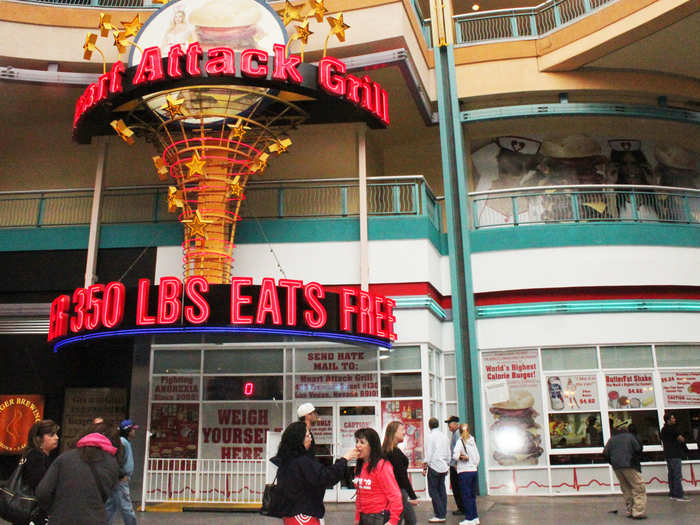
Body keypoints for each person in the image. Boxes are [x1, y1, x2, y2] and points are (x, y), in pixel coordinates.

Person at [271, 421, 357, 525]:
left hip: (291, 514)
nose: (310, 439)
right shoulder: (302, 461)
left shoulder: (287, 460)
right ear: (298, 439)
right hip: (303, 515)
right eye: (307, 436)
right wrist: (344, 459)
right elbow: (326, 477)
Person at [36, 431, 119, 525]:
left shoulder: (64, 458)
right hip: (96, 519)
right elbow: (110, 492)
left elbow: (42, 491)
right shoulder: (111, 462)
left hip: (61, 518)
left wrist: (53, 509)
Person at [13, 420, 60, 525]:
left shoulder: (35, 455)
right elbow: (40, 485)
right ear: (39, 439)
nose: (56, 437)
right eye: (52, 435)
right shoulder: (36, 457)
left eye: (56, 434)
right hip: (33, 512)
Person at [353, 427, 402, 525]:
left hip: (379, 517)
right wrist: (358, 517)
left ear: (372, 446)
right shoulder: (359, 466)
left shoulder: (382, 466)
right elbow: (360, 494)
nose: (358, 445)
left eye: (362, 442)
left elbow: (395, 495)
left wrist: (393, 521)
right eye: (357, 441)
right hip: (364, 516)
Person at [602, 424, 647, 519]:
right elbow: (638, 448)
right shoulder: (630, 437)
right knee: (638, 487)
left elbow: (605, 453)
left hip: (617, 467)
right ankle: (638, 511)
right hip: (629, 465)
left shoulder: (612, 439)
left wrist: (612, 462)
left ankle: (630, 510)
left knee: (626, 488)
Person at [382, 421, 418, 525]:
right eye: (401, 430)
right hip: (398, 492)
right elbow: (402, 477)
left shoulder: (388, 450)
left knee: (409, 520)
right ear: (394, 433)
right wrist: (413, 496)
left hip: (395, 492)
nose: (404, 433)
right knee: (400, 521)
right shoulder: (393, 452)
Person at [106, 420, 139, 525]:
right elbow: (116, 460)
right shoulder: (122, 442)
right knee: (126, 506)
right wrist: (122, 474)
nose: (135, 431)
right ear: (128, 430)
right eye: (133, 429)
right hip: (120, 480)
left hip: (117, 479)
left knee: (111, 505)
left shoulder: (125, 442)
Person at [422, 417, 450, 523]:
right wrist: (447, 463)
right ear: (438, 424)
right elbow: (448, 452)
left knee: (433, 491)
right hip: (443, 466)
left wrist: (425, 466)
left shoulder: (430, 437)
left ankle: (439, 514)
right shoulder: (444, 436)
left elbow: (428, 454)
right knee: (442, 489)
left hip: (434, 466)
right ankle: (443, 512)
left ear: (429, 426)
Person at [452, 424, 480, 525]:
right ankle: (475, 517)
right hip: (473, 471)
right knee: (472, 496)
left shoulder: (460, 441)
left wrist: (461, 457)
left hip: (464, 472)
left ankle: (469, 518)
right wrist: (474, 465)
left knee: (465, 495)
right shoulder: (472, 441)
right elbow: (477, 457)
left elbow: (455, 456)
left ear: (459, 432)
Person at [661, 413, 690, 501]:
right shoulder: (673, 429)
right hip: (675, 454)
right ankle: (679, 494)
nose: (674, 419)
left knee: (671, 474)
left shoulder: (663, 429)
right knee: (677, 474)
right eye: (672, 418)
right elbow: (681, 439)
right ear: (668, 420)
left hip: (668, 454)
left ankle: (672, 493)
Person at [445, 416, 465, 516]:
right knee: (456, 487)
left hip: (456, 465)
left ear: (456, 424)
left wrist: (456, 463)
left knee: (457, 487)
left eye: (450, 423)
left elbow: (458, 449)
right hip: (455, 464)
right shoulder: (455, 433)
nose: (449, 426)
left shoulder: (457, 434)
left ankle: (461, 508)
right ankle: (461, 507)